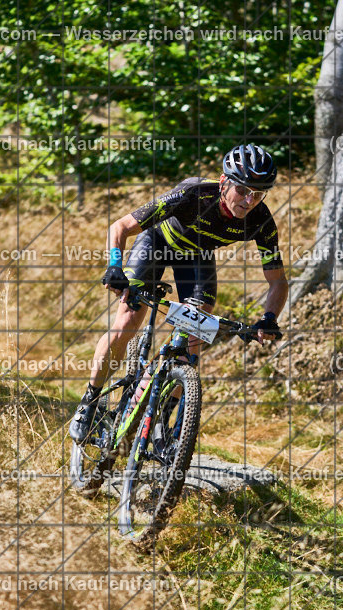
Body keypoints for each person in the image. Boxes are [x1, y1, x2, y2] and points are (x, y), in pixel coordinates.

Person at [69, 143, 288, 443]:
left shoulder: (261, 220)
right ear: (224, 182)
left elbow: (277, 281)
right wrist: (115, 266)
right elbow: (120, 226)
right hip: (156, 244)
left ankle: (164, 419)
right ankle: (89, 402)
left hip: (197, 257)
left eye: (258, 193)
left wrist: (269, 317)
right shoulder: (193, 194)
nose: (249, 200)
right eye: (243, 190)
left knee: (191, 340)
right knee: (128, 322)